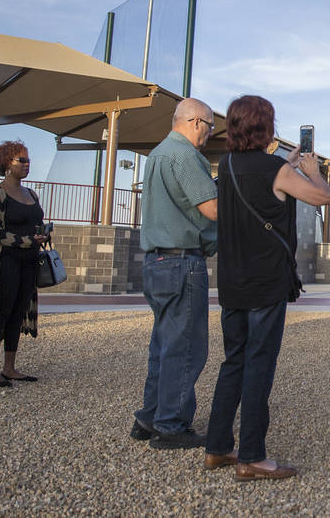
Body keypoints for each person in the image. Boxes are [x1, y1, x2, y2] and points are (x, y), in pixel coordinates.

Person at [204, 95, 330, 481]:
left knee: (233, 361)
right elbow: (321, 196)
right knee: (259, 365)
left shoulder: (226, 165)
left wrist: (288, 165)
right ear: (266, 127)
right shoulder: (274, 168)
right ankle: (252, 457)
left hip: (232, 280)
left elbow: (254, 185)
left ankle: (217, 448)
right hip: (266, 283)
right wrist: (309, 168)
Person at [131, 98, 218, 449]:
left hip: (157, 261)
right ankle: (172, 424)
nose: (210, 134)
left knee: (164, 346)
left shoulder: (158, 154)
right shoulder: (184, 156)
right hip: (182, 263)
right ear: (196, 122)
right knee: (186, 348)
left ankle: (150, 417)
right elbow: (211, 208)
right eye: (210, 126)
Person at [0, 141, 49, 386]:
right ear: (7, 163)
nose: (27, 165)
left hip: (29, 262)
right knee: (0, 312)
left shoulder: (32, 194)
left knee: (18, 312)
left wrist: (43, 235)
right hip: (5, 263)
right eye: (21, 160)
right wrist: (26, 240)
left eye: (28, 160)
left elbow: (36, 222)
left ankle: (10, 367)